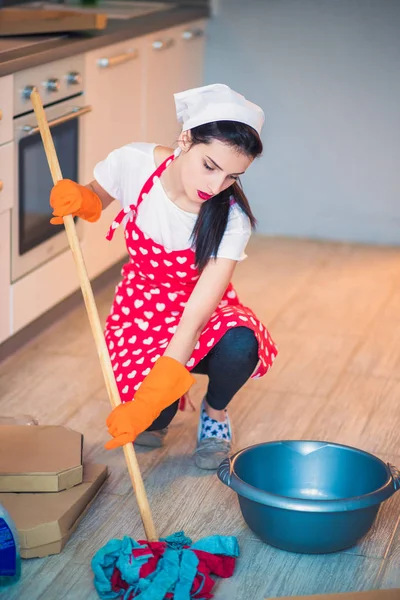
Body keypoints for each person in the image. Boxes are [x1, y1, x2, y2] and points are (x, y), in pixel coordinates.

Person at [49, 83, 278, 470]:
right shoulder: (133, 163)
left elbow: (194, 319)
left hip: (199, 311)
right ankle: (160, 411)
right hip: (140, 307)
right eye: (210, 166)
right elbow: (97, 195)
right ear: (185, 139)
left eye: (231, 177)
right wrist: (80, 199)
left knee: (242, 344)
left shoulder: (232, 219)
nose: (215, 186)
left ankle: (216, 412)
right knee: (152, 423)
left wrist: (157, 387)